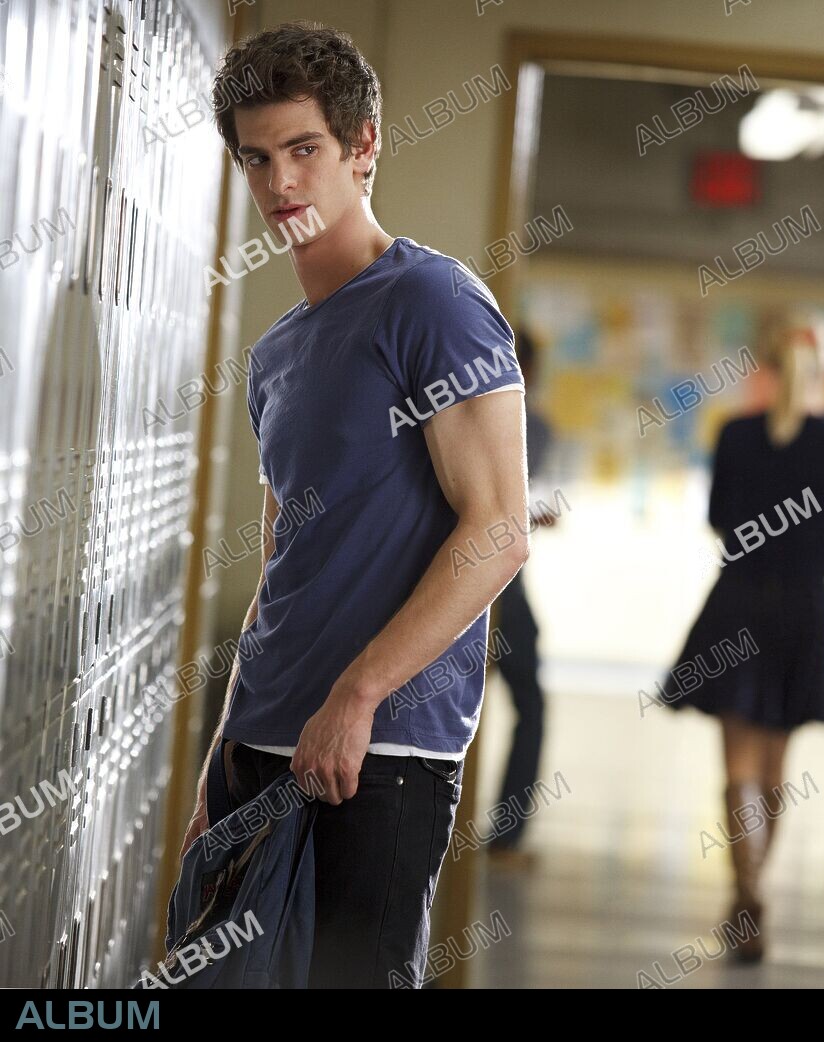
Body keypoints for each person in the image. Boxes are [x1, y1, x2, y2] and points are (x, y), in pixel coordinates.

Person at [178, 22, 530, 989]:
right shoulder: (279, 351)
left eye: (305, 151)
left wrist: (359, 693)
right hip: (264, 738)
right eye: (257, 159)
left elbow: (499, 529)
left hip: (381, 749)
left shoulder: (434, 303)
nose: (281, 185)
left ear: (363, 147)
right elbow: (284, 552)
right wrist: (226, 743)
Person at [660, 309, 824, 963]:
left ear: (766, 365)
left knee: (738, 767)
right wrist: (814, 557)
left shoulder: (736, 434)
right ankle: (751, 893)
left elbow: (721, 518)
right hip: (802, 613)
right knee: (776, 770)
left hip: (738, 604)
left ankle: (745, 892)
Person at [484, 329, 557, 868]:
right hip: (488, 587)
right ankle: (503, 838)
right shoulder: (507, 419)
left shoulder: (528, 423)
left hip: (504, 584)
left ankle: (505, 837)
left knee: (526, 705)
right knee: (526, 706)